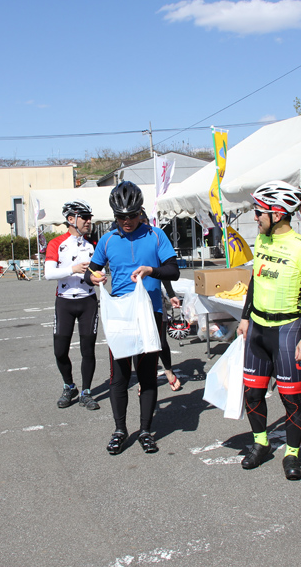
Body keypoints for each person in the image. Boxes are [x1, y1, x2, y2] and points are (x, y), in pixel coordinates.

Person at [236, 181, 301, 481]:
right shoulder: (261, 241)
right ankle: (260, 444)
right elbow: (254, 282)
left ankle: (292, 454)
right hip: (258, 328)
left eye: (259, 211)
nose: (255, 217)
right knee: (253, 393)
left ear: (276, 213)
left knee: (291, 398)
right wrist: (246, 316)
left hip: (288, 329)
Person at [84, 182, 179, 455]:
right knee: (120, 377)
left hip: (150, 314)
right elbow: (90, 272)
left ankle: (146, 431)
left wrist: (151, 270)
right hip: (121, 316)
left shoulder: (156, 235)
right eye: (121, 216)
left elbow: (173, 269)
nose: (127, 221)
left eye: (132, 215)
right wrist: (93, 276)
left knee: (148, 376)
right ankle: (119, 429)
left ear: (141, 212)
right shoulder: (108, 240)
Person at [45, 200, 100, 410]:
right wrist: (73, 269)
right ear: (71, 219)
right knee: (60, 350)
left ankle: (86, 391)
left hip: (88, 301)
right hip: (65, 301)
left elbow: (96, 272)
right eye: (84, 217)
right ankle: (69, 386)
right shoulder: (57, 243)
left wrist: (98, 277)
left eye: (89, 217)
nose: (88, 221)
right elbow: (49, 273)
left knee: (88, 350)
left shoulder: (92, 245)